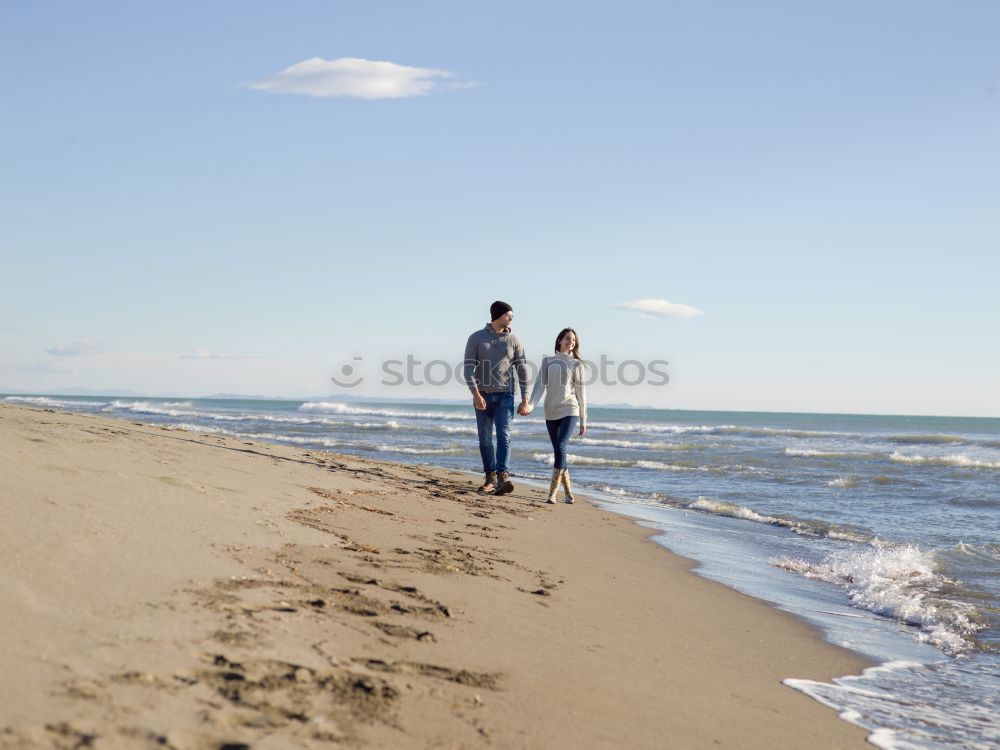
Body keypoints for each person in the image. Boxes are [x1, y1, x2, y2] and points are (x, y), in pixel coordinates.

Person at [462, 301, 531, 495]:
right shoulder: (476, 338)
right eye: (509, 315)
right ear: (498, 315)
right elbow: (468, 369)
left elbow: (523, 370)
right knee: (484, 439)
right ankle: (490, 478)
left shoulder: (515, 340)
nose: (511, 318)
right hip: (482, 395)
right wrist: (475, 394)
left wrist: (525, 398)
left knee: (504, 436)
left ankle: (503, 477)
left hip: (506, 396)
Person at [526, 327, 587, 504]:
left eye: (574, 340)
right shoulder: (548, 361)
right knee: (560, 452)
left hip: (570, 409)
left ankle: (552, 493)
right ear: (559, 340)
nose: (571, 342)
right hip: (550, 411)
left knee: (561, 445)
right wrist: (530, 405)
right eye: (568, 338)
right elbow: (539, 386)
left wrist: (583, 420)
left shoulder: (577, 364)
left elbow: (581, 394)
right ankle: (568, 494)